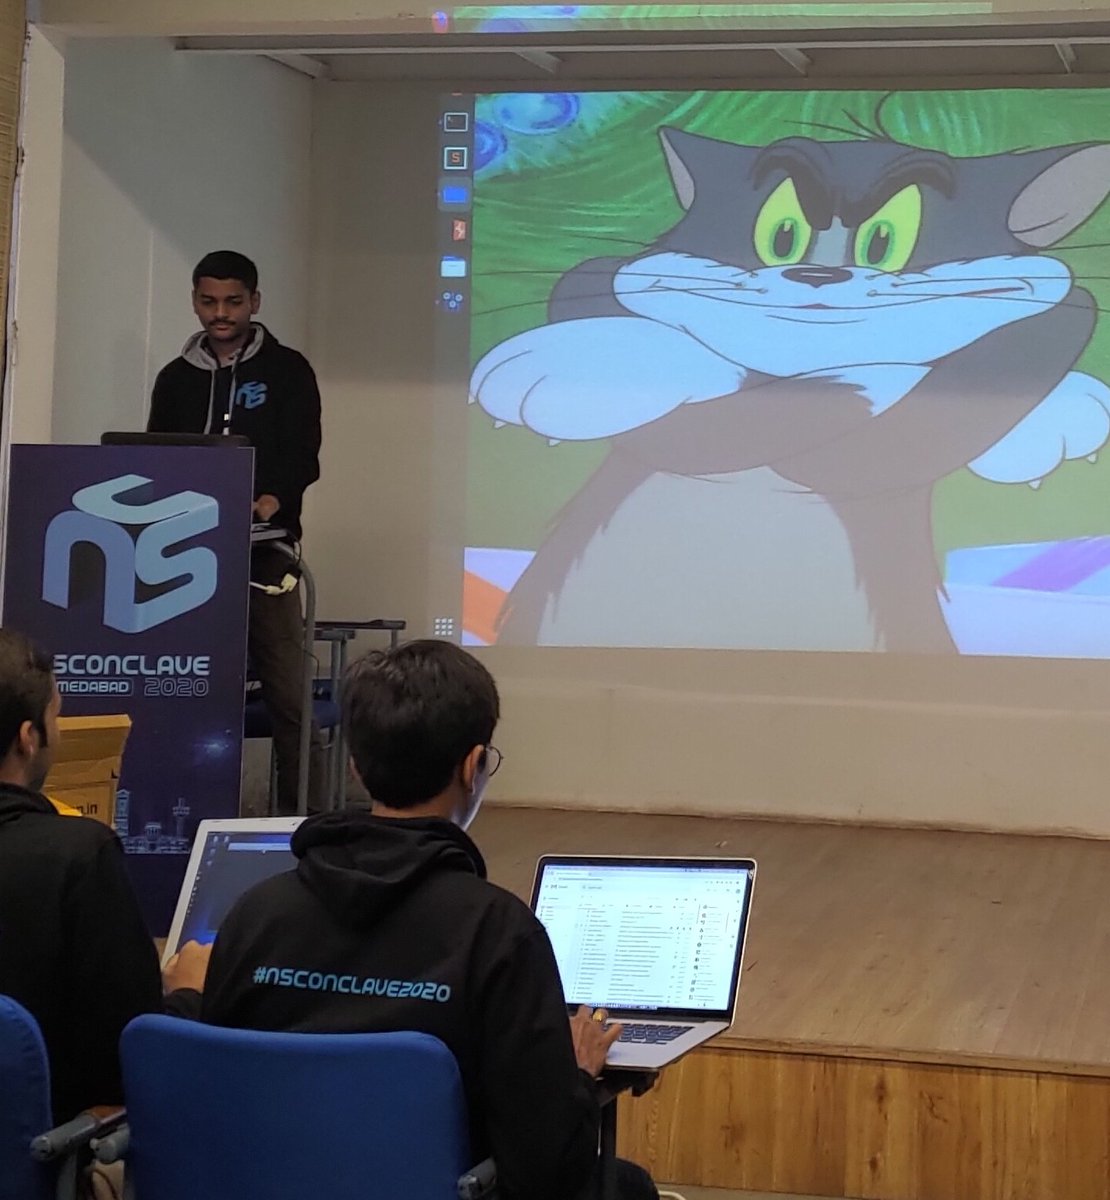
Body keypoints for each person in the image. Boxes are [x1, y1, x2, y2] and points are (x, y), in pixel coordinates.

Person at [200, 639, 657, 1200]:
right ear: (473, 766)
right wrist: (578, 1077)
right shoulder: (497, 933)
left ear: (356, 767)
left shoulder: (254, 915)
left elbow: (213, 1096)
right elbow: (546, 1174)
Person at [0, 628, 210, 1123]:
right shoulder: (79, 854)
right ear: (28, 738)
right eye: (56, 717)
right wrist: (188, 994)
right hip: (43, 1148)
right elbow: (132, 1057)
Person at [148, 250, 324, 814]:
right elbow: (153, 457)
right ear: (195, 301)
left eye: (233, 301)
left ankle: (307, 822)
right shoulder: (175, 379)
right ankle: (182, 812)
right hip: (182, 555)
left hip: (265, 557)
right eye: (208, 301)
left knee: (289, 696)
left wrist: (270, 500)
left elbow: (304, 455)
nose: (220, 313)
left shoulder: (288, 370)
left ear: (254, 301)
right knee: (182, 687)